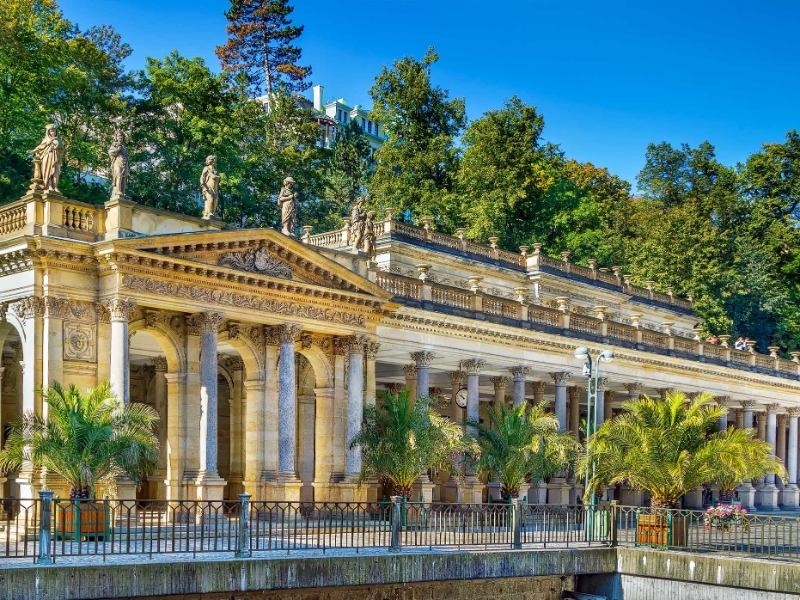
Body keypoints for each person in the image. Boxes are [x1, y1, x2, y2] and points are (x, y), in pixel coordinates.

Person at [30, 124, 64, 192]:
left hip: (56, 158)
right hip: (47, 157)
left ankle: (55, 186)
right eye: (51, 131)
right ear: (48, 132)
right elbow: (39, 147)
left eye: (54, 131)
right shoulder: (46, 140)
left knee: (56, 173)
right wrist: (33, 151)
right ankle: (49, 186)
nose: (53, 132)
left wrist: (57, 145)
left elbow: (62, 149)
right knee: (47, 172)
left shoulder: (59, 140)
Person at [109, 130, 130, 199]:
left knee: (124, 178)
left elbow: (126, 156)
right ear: (116, 137)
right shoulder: (114, 144)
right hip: (117, 162)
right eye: (119, 136)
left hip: (125, 163)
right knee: (118, 176)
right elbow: (110, 152)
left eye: (121, 136)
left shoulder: (124, 147)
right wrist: (117, 150)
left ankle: (122, 192)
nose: (120, 137)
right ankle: (118, 191)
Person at [200, 155, 220, 219]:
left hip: (215, 189)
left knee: (215, 201)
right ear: (209, 161)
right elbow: (202, 177)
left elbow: (217, 180)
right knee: (210, 199)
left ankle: (212, 213)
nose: (214, 161)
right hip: (208, 188)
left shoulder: (216, 171)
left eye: (215, 160)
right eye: (212, 160)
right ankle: (209, 213)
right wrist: (203, 185)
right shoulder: (206, 168)